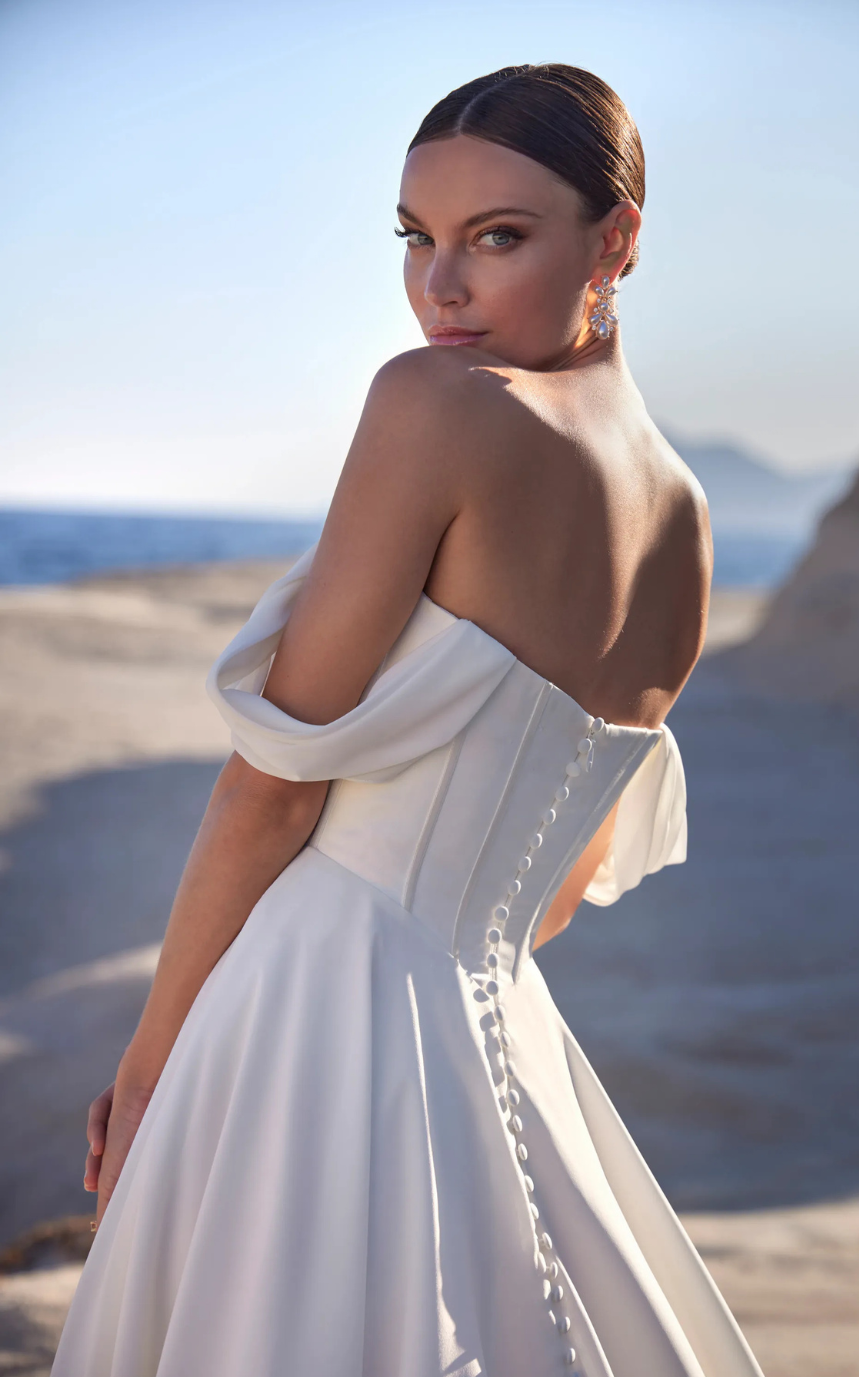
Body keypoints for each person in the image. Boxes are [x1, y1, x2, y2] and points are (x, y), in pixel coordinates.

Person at [52, 64, 763, 1377]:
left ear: (619, 239)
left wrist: (154, 1057)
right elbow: (567, 880)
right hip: (499, 1024)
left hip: (312, 1003)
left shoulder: (436, 407)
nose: (441, 288)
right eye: (416, 240)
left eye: (496, 238)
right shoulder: (688, 526)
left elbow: (270, 790)